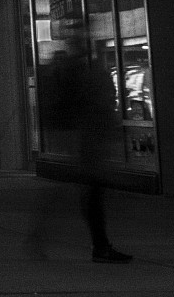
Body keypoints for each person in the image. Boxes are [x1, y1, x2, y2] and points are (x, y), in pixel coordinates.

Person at [31, 41, 132, 263]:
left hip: (82, 137)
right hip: (85, 138)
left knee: (81, 191)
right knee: (88, 191)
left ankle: (96, 244)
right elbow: (95, 102)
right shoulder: (79, 73)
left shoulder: (72, 72)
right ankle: (100, 246)